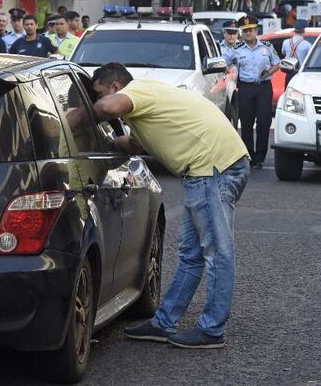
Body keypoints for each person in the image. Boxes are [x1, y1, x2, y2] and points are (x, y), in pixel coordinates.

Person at [87, 63, 249, 349]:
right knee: (191, 253)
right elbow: (131, 143)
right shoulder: (145, 109)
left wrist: (77, 118)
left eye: (98, 94)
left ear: (114, 87)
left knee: (217, 252)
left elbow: (109, 108)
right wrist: (108, 143)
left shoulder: (137, 90)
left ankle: (212, 330)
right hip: (210, 168)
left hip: (213, 169)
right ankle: (164, 322)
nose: (98, 101)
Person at [224, 15, 280, 168]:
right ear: (242, 32)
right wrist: (228, 71)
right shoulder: (236, 49)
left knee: (264, 122)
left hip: (263, 87)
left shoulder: (266, 46)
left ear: (256, 30)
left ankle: (260, 157)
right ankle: (249, 154)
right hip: (245, 88)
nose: (248, 33)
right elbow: (224, 62)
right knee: (246, 123)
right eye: (245, 30)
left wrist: (268, 72)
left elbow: (277, 63)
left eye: (251, 30)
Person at [281, 22, 312, 86]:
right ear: (304, 31)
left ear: (294, 31)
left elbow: (283, 53)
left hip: (289, 71)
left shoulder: (285, 42)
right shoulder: (307, 44)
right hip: (300, 73)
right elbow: (310, 58)